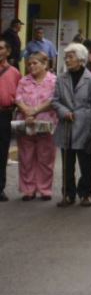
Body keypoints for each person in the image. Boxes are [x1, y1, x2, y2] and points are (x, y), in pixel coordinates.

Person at [52, 43, 91, 207]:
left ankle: (86, 193)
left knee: (86, 163)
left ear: (81, 59)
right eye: (66, 57)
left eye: (70, 57)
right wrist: (64, 111)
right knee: (67, 163)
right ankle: (68, 194)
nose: (67, 60)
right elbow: (55, 101)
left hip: (86, 127)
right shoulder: (61, 78)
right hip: (66, 125)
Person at [15, 52, 57, 201]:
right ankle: (28, 190)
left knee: (45, 158)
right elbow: (18, 98)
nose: (31, 66)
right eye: (29, 64)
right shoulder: (23, 81)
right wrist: (27, 111)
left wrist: (35, 111)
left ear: (44, 64)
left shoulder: (53, 81)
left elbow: (53, 100)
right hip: (26, 123)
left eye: (35, 63)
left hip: (46, 124)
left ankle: (45, 189)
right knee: (26, 158)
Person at [0, 40, 22, 202]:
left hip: (4, 115)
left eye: (0, 48)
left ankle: (0, 188)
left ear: (7, 52)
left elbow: (20, 96)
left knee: (2, 152)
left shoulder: (14, 72)